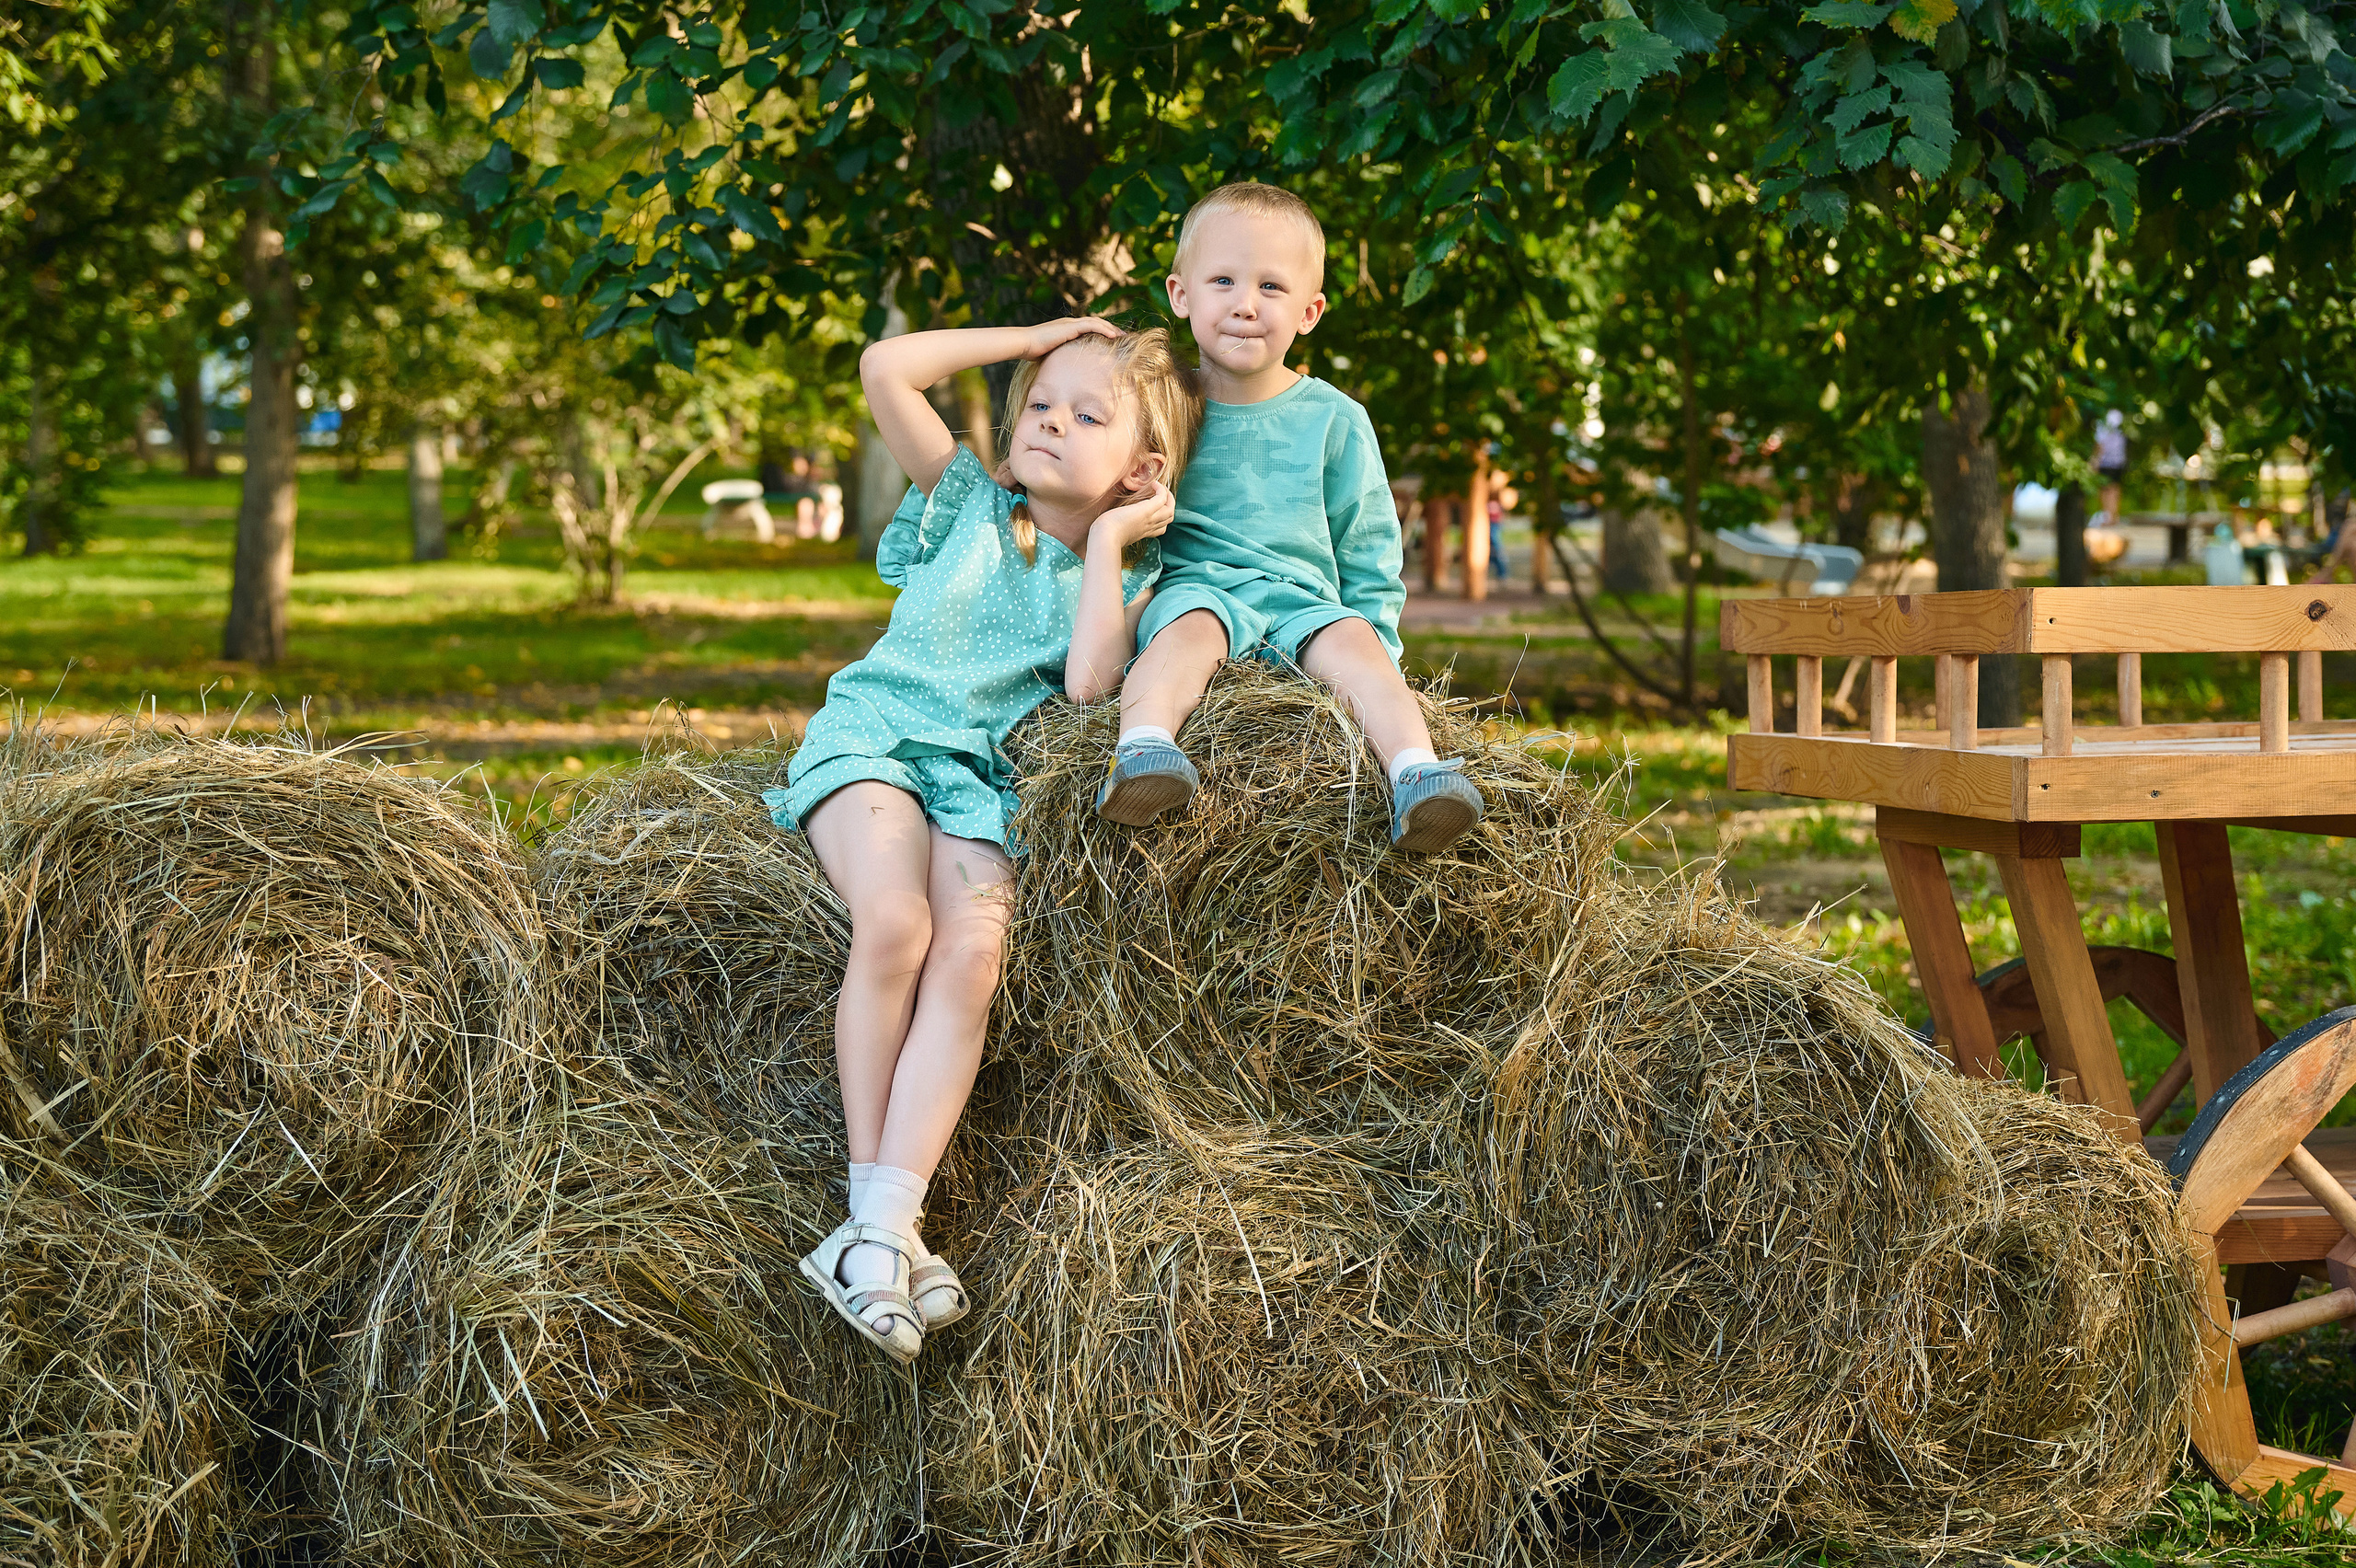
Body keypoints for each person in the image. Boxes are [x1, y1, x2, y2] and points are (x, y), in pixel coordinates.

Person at [766, 320, 1201, 1364]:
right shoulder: (962, 502)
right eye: (1039, 404)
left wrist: (1105, 544)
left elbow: (1093, 684)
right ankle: (875, 1229)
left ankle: (881, 1229)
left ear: (1141, 470)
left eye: (1086, 415)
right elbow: (886, 368)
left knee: (973, 956)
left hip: (974, 782)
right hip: (875, 743)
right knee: (899, 923)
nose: (1049, 420)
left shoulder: (1128, 581)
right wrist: (1049, 335)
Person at [1093, 182, 1486, 853]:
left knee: (1356, 649)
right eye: (1223, 281)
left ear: (1309, 311)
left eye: (1271, 288)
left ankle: (1417, 772)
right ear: (1181, 295)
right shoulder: (1161, 406)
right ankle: (1145, 751)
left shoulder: (1334, 418)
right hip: (1198, 588)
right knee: (1180, 642)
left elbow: (1366, 546)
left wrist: (1378, 647)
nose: (1246, 305)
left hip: (1304, 598)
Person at [2094, 409, 2128, 525]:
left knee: (2105, 490)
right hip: (2118, 463)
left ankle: (2108, 516)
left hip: (2106, 463)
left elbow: (2100, 446)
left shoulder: (2102, 428)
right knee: (2114, 489)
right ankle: (2113, 516)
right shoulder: (2122, 429)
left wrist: (2095, 461)